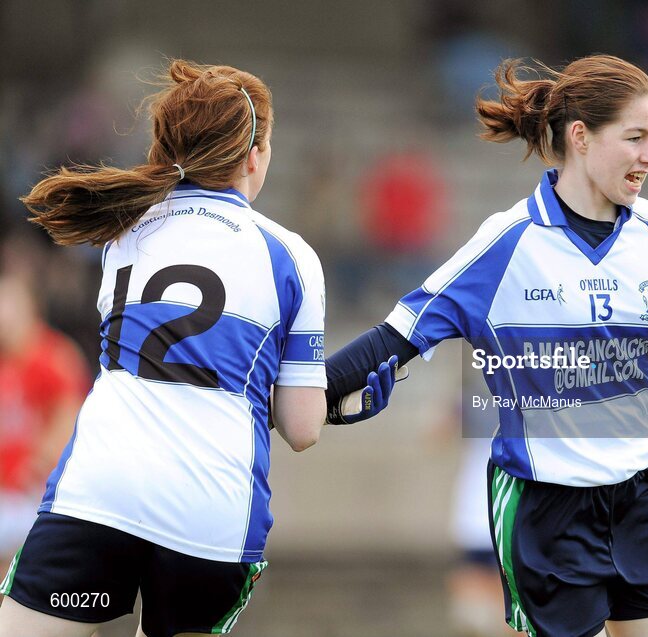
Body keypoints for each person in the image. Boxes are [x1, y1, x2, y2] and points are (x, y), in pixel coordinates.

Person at [324, 55, 648, 637]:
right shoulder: (506, 244)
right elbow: (397, 336)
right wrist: (304, 391)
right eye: (635, 138)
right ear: (580, 137)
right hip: (543, 510)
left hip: (638, 497)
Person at [0, 60, 396, 637]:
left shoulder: (123, 229)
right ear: (254, 155)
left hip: (100, 495)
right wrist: (331, 400)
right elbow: (300, 426)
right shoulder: (290, 256)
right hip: (210, 518)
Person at [0, 269, 89, 564]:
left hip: (33, 494)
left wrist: (38, 465)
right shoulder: (6, 359)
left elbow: (70, 420)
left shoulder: (51, 356)